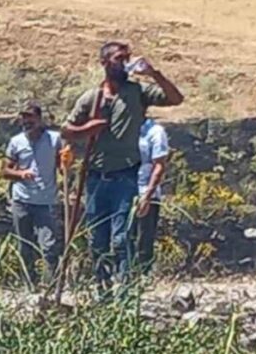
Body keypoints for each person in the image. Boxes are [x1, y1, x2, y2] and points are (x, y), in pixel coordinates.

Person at [62, 42, 183, 290]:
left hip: (126, 176)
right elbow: (67, 130)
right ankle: (103, 290)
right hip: (96, 178)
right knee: (98, 239)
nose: (125, 62)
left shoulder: (137, 92)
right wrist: (88, 129)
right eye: (119, 58)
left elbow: (175, 98)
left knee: (121, 237)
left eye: (127, 58)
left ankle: (125, 291)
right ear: (104, 62)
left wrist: (154, 73)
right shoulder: (91, 98)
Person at [2, 101, 62, 288]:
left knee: (49, 245)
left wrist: (67, 162)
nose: (26, 122)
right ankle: (29, 285)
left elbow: (63, 164)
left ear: (39, 119)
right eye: (24, 118)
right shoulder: (16, 142)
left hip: (46, 201)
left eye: (30, 118)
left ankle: (50, 286)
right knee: (25, 246)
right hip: (22, 201)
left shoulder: (55, 139)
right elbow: (5, 171)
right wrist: (21, 174)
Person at [133, 113, 169, 274]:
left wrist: (147, 196)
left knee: (143, 239)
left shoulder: (155, 131)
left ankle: (142, 277)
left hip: (145, 193)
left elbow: (159, 166)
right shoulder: (122, 129)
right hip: (124, 190)